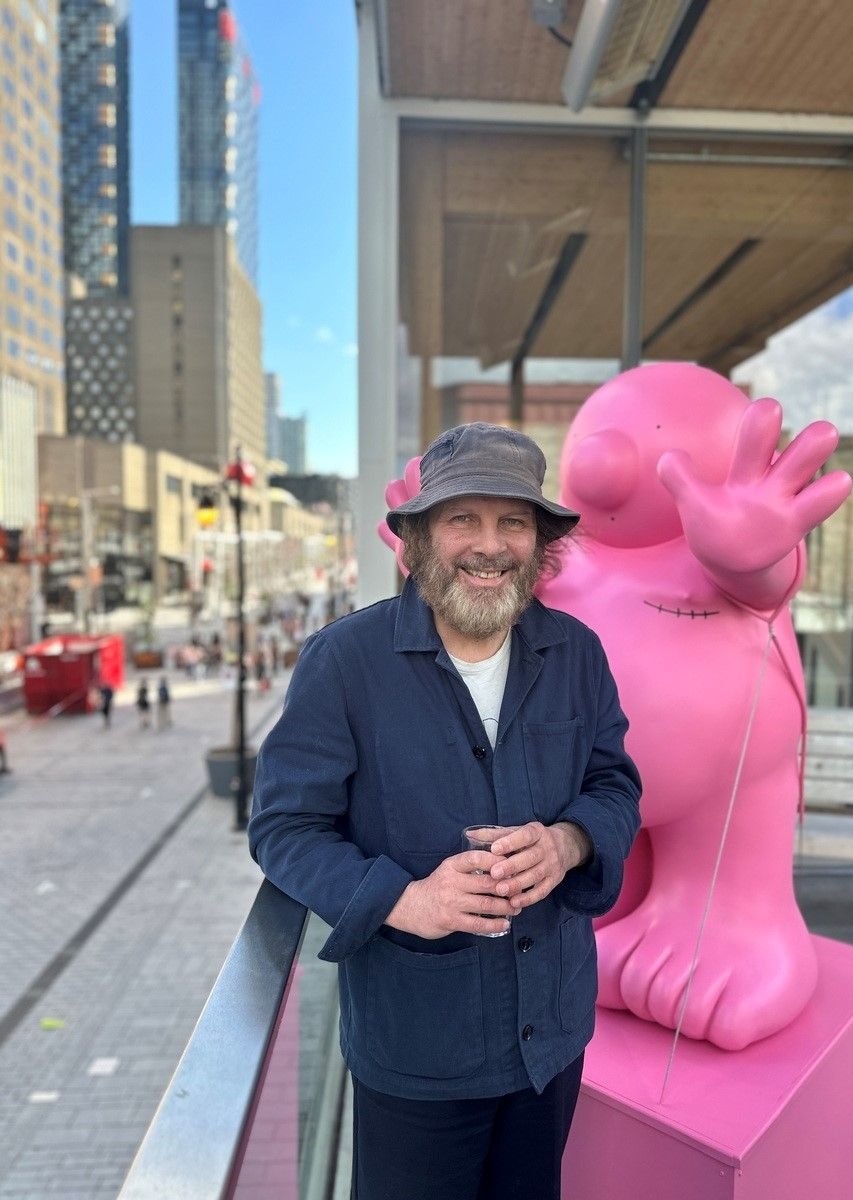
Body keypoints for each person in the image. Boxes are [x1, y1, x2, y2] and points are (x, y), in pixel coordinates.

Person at [249, 423, 641, 1200]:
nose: (488, 545)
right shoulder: (344, 662)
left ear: (539, 543)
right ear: (420, 536)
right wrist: (407, 899)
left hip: (550, 1038)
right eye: (464, 518)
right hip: (416, 1050)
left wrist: (567, 843)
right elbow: (283, 827)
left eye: (513, 522)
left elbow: (615, 787)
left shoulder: (578, 653)